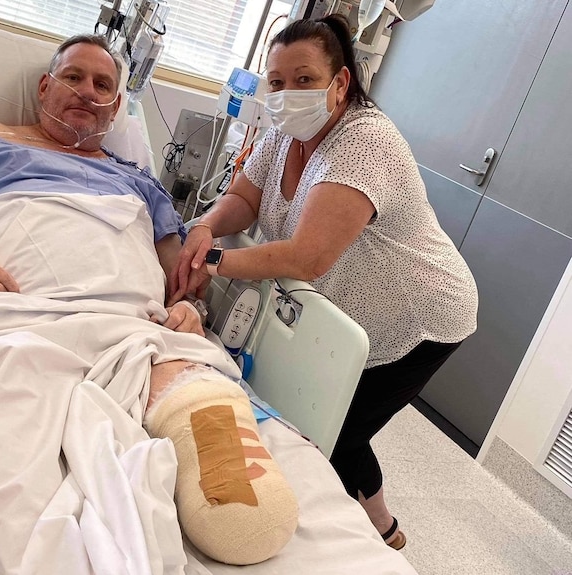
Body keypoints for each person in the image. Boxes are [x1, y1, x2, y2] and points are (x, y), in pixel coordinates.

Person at [0, 34, 299, 565]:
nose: (87, 91)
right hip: (18, 314)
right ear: (44, 86)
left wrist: (191, 307)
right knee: (11, 399)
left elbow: (179, 274)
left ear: (116, 107)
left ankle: (201, 426)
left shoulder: (137, 182)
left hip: (132, 325)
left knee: (191, 386)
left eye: (103, 85)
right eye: (73, 77)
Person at [170, 15, 478, 550]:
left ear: (341, 83)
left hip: (420, 315)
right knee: (332, 422)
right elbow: (244, 199)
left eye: (305, 79)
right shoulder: (284, 135)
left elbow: (308, 257)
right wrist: (203, 227)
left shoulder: (365, 143)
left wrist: (210, 260)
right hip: (352, 307)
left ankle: (379, 531)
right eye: (277, 81)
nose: (288, 93)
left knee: (341, 431)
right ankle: (386, 525)